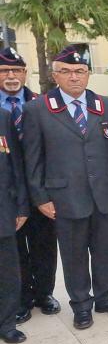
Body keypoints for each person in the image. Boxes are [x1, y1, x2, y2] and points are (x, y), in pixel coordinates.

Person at [23, 45, 108, 330]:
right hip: (64, 196)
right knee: (74, 254)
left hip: (104, 193)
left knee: (107, 250)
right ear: (55, 75)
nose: (74, 77)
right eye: (67, 72)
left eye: (80, 71)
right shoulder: (38, 109)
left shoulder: (106, 105)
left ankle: (106, 297)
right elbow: (32, 160)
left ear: (87, 74)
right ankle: (81, 305)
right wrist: (40, 197)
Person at [0, 47, 60, 324]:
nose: (11, 76)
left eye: (16, 71)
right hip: (8, 194)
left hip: (42, 189)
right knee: (15, 249)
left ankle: (44, 293)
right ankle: (22, 298)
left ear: (25, 73)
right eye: (4, 71)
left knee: (45, 243)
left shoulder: (42, 103)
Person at [0, 107, 29, 343]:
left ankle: (7, 322)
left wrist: (21, 206)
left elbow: (15, 164)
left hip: (3, 209)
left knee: (8, 271)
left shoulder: (3, 116)